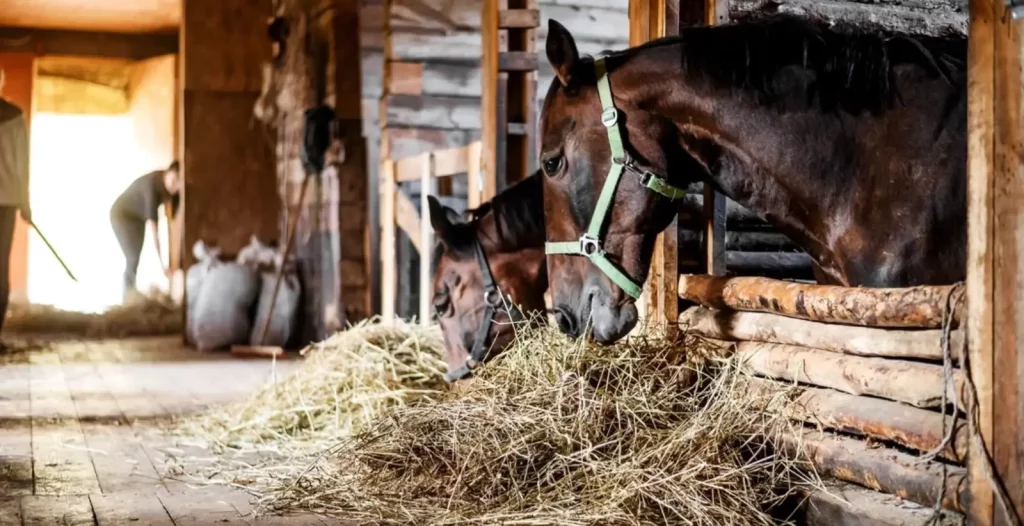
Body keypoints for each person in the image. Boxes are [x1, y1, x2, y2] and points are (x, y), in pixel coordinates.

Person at [110, 161, 180, 302]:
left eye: (179, 183)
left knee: (136, 256)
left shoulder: (165, 182)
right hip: (122, 216)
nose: (175, 186)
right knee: (132, 257)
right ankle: (127, 298)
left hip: (136, 218)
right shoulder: (152, 187)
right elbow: (154, 229)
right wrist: (163, 266)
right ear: (167, 173)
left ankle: (130, 293)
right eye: (173, 181)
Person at [0, 68, 30, 336]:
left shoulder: (18, 118)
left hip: (8, 200)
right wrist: (25, 202)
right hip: (7, 200)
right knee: (1, 265)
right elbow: (23, 165)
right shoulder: (16, 117)